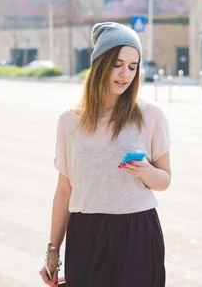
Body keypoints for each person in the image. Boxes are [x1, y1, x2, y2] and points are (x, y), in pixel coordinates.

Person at [39, 22, 172, 287]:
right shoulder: (69, 122)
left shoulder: (150, 115)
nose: (125, 74)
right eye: (118, 64)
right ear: (100, 63)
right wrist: (53, 250)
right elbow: (64, 191)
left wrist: (146, 171)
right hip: (85, 233)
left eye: (133, 67)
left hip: (137, 232)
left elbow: (165, 180)